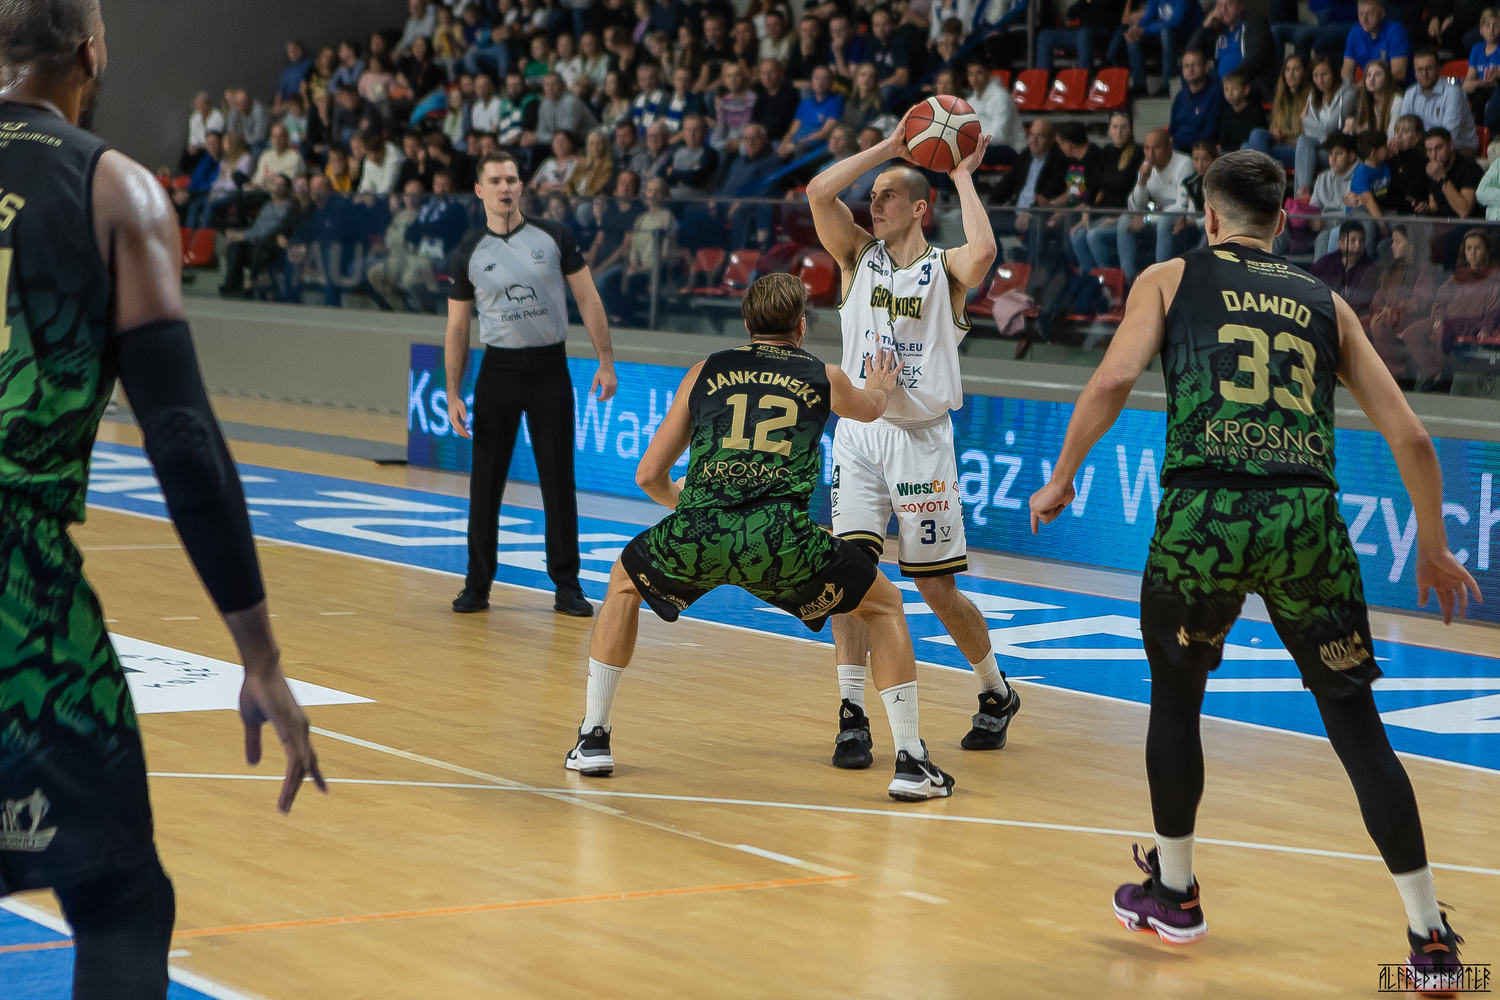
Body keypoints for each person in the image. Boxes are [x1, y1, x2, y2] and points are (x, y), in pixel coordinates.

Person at [1028, 149, 1477, 990]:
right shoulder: (1326, 301)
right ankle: (1430, 941)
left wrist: (1062, 475)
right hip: (1304, 517)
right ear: (1281, 219)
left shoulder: (1168, 279)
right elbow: (1413, 435)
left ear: (1208, 215)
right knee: (1357, 728)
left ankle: (1174, 893)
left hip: (1202, 514)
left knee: (1177, 701)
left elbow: (1115, 377)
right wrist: (1432, 542)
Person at [0, 4, 325, 998]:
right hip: (16, 594)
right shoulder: (115, 190)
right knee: (119, 900)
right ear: (92, 52)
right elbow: (182, 441)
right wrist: (259, 655)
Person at [564, 273, 951, 802]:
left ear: (746, 322)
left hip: (700, 532)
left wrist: (693, 506)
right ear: (801, 326)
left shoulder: (704, 371)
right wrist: (882, 384)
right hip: (781, 541)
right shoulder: (823, 375)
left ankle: (593, 738)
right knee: (883, 606)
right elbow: (871, 409)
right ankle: (910, 761)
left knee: (622, 584)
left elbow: (648, 475)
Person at [808, 112, 1023, 771]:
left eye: (888, 196)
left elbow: (983, 253)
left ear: (920, 208)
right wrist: (889, 148)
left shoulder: (943, 269)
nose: (873, 204)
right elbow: (818, 192)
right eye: (872, 197)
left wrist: (960, 173)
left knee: (936, 590)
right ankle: (851, 713)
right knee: (850, 573)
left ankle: (995, 690)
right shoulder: (855, 258)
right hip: (858, 435)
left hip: (922, 442)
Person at [444, 153, 618, 617]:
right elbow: (457, 328)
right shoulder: (467, 251)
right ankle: (477, 584)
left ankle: (567, 586)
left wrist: (606, 361)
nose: (505, 187)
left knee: (558, 480)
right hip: (497, 373)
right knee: (485, 484)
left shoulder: (554, 236)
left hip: (549, 371)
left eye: (512, 179)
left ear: (521, 187)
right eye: (495, 181)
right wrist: (453, 392)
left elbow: (588, 299)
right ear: (479, 190)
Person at [1403, 228, 1500, 392]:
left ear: (1486, 250)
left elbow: (1494, 309)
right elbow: (1441, 301)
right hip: (1444, 318)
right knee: (1410, 333)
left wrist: (1485, 328)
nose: (1472, 253)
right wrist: (1438, 317)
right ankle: (1436, 373)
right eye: (1469, 248)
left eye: (1477, 248)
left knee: (1441, 331)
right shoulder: (1458, 274)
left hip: (1468, 322)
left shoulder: (1494, 276)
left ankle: (1441, 377)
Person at [1118, 128, 1194, 280]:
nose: (1150, 154)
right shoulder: (1146, 166)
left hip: (1181, 222)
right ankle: (1128, 279)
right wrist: (1142, 182)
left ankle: (1160, 278)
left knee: (1164, 220)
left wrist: (1147, 219)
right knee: (1124, 220)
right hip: (1157, 218)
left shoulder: (1184, 164)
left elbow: (1183, 206)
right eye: (1147, 148)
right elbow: (1134, 209)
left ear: (1169, 147)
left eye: (1156, 148)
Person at [1072, 111, 1143, 272]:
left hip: (1124, 218)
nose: (1119, 131)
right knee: (1076, 236)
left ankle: (1108, 279)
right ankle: (1090, 278)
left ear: (1131, 130)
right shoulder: (1106, 151)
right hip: (1104, 216)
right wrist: (1085, 216)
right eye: (1115, 127)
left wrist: (1120, 218)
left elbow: (1141, 192)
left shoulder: (1138, 152)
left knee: (1093, 236)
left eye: (1123, 127)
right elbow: (1094, 186)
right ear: (1109, 130)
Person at [1368, 225, 1433, 384]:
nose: (1392, 246)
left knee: (1379, 327)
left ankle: (1399, 372)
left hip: (1409, 317)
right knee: (1359, 325)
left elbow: (1419, 302)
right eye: (1393, 241)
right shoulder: (1391, 269)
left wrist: (1392, 310)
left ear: (1411, 246)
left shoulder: (1423, 271)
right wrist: (1377, 308)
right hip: (1389, 315)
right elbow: (1380, 294)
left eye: (1398, 242)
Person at [220, 172, 298, 297]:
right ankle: (233, 287)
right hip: (255, 242)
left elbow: (270, 231)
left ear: (287, 189)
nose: (276, 187)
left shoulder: (288, 207)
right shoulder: (267, 205)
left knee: (254, 246)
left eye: (280, 185)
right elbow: (256, 228)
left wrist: (243, 236)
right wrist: (238, 234)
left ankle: (251, 284)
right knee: (235, 247)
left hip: (270, 247)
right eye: (275, 184)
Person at [1295, 55, 1358, 196]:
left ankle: (1302, 197)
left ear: (1334, 73)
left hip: (1340, 153)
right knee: (1304, 144)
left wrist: (1305, 119)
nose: (1320, 80)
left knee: (1304, 154)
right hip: (1320, 148)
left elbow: (1329, 130)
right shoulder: (1313, 95)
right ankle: (1304, 192)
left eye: (1324, 74)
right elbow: (1309, 133)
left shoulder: (1348, 95)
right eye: (1315, 76)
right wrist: (1317, 129)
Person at [1189, 0, 1277, 101]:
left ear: (1241, 6)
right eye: (1220, 6)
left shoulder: (1256, 25)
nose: (1224, 10)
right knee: (1191, 71)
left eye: (1229, 4)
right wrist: (1205, 26)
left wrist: (1231, 78)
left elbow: (1255, 58)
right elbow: (1191, 50)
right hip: (1223, 88)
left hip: (1248, 85)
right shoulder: (1219, 33)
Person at [1115, 0, 1203, 96]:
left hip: (1189, 35)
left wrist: (1144, 30)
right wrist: (1136, 29)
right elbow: (1147, 19)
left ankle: (1168, 85)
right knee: (1132, 36)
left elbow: (1175, 22)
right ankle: (1139, 87)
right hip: (1164, 33)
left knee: (1165, 32)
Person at [1400, 49, 1479, 153]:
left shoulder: (1453, 93)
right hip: (1424, 148)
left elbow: (1447, 135)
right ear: (1415, 73)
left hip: (1458, 150)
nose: (1424, 74)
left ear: (1439, 69)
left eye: (1429, 68)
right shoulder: (1410, 93)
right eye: (1419, 70)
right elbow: (1404, 127)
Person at [1246, 54, 1309, 168]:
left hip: (1299, 149)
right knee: (1253, 137)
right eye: (1287, 69)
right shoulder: (1280, 98)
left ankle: (1264, 177)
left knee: (1247, 148)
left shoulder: (1311, 99)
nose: (1290, 74)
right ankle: (1265, 176)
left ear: (1305, 73)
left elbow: (1310, 138)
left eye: (1296, 69)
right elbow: (1274, 128)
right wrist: (1276, 133)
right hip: (1280, 145)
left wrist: (1286, 140)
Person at [1310, 223, 1379, 317]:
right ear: (1340, 244)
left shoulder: (1370, 269)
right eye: (1353, 240)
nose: (1358, 245)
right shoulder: (1323, 265)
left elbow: (1363, 302)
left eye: (1362, 240)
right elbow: (1314, 295)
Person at [1308, 131, 1359, 256]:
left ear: (1351, 156)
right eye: (1330, 154)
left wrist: (1326, 223)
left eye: (1339, 153)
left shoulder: (1360, 177)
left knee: (1324, 237)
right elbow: (1313, 209)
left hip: (1346, 228)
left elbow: (1354, 215)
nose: (1333, 159)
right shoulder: (1322, 178)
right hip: (1321, 228)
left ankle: (1319, 270)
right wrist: (1314, 219)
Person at [964, 59, 1023, 163]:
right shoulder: (970, 101)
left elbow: (999, 136)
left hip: (1010, 148)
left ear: (988, 73)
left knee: (969, 154)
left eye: (979, 73)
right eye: (971, 74)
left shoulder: (1001, 97)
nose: (974, 78)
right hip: (983, 146)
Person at [777, 64, 843, 155]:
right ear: (811, 80)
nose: (820, 82)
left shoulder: (835, 102)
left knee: (797, 150)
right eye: (817, 78)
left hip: (814, 146)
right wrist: (784, 144)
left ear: (831, 83)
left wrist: (797, 144)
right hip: (794, 144)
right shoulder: (804, 104)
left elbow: (825, 132)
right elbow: (792, 131)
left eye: (824, 79)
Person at [1167, 49, 1222, 154]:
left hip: (1201, 153)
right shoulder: (1180, 96)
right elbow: (1172, 131)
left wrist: (1179, 141)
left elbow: (1209, 135)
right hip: (1178, 151)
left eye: (1195, 65)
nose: (1190, 69)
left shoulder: (1215, 94)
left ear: (1206, 68)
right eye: (1186, 66)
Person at [1343, 0, 1412, 83]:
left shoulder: (1396, 31)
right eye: (1361, 13)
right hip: (1368, 86)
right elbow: (1347, 70)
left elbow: (1398, 75)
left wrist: (1363, 86)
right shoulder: (1355, 32)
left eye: (1370, 13)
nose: (1364, 19)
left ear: (1382, 13)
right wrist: (1347, 87)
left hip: (1395, 88)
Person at [663, 112, 719, 195]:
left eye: (696, 130)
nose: (691, 134)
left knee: (662, 196)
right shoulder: (676, 151)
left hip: (698, 198)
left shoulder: (710, 154)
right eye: (688, 130)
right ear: (683, 132)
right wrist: (684, 176)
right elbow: (664, 176)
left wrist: (673, 172)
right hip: (675, 193)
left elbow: (694, 178)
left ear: (705, 132)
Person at [1347, 57, 1403, 138]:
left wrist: (1360, 131)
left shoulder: (1397, 101)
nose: (1371, 79)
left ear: (1387, 78)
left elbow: (1391, 137)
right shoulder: (1366, 100)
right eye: (1368, 75)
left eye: (1377, 75)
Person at [1217, 70, 1266, 152]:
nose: (1230, 93)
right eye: (1226, 89)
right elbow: (1223, 142)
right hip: (1230, 153)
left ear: (1246, 90)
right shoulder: (1226, 114)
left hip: (1249, 153)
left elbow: (1253, 141)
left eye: (1235, 88)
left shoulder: (1255, 113)